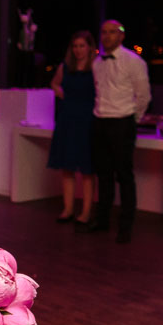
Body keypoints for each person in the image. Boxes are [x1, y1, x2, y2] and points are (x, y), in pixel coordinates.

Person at [77, 19, 150, 243]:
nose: (107, 36)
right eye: (104, 32)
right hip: (100, 121)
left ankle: (125, 226)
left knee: (124, 175)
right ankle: (102, 220)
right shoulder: (97, 63)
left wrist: (131, 120)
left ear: (121, 36)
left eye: (112, 32)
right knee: (103, 174)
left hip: (122, 122)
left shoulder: (134, 61)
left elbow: (144, 96)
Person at [48, 31, 96, 225]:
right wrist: (59, 92)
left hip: (88, 121)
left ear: (89, 48)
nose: (78, 50)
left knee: (86, 168)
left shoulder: (96, 68)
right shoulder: (65, 66)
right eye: (75, 46)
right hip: (67, 119)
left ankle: (85, 212)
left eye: (82, 46)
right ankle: (67, 209)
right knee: (67, 167)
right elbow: (54, 83)